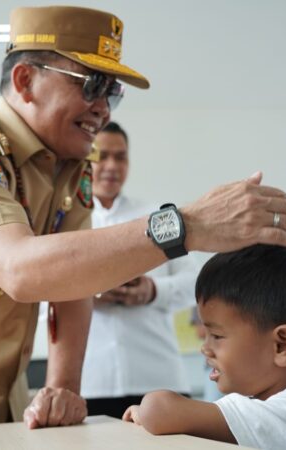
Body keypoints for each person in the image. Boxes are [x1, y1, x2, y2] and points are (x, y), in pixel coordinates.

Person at [0, 5, 286, 432]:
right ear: (25, 81)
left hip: (3, 402)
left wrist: (63, 387)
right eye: (92, 85)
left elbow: (72, 286)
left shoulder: (71, 169)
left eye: (113, 92)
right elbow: (20, 270)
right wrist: (184, 226)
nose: (104, 108)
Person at [122, 244, 286, 449]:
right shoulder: (267, 409)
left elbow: (159, 409)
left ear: (282, 345)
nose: (205, 348)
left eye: (217, 335)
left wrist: (144, 412)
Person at [81, 122, 196, 418]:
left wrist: (153, 291)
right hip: (89, 382)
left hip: (159, 378)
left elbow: (196, 283)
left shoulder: (158, 217)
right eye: (102, 156)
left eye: (120, 157)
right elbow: (38, 299)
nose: (111, 165)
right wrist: (85, 296)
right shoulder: (66, 223)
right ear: (85, 159)